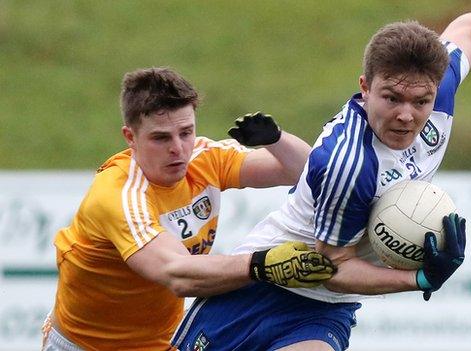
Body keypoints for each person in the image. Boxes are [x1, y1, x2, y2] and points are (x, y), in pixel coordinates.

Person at [171, 12, 471, 351]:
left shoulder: (437, 92)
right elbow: (336, 268)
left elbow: (468, 26)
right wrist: (419, 278)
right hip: (259, 290)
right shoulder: (350, 165)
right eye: (391, 98)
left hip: (320, 309)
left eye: (420, 101)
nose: (406, 114)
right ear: (365, 87)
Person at [42, 67, 337, 351]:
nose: (178, 148)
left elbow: (311, 175)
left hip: (164, 341)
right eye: (161, 137)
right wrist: (263, 263)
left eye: (186, 132)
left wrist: (277, 140)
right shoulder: (119, 195)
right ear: (130, 137)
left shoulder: (204, 157)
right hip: (87, 345)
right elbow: (179, 275)